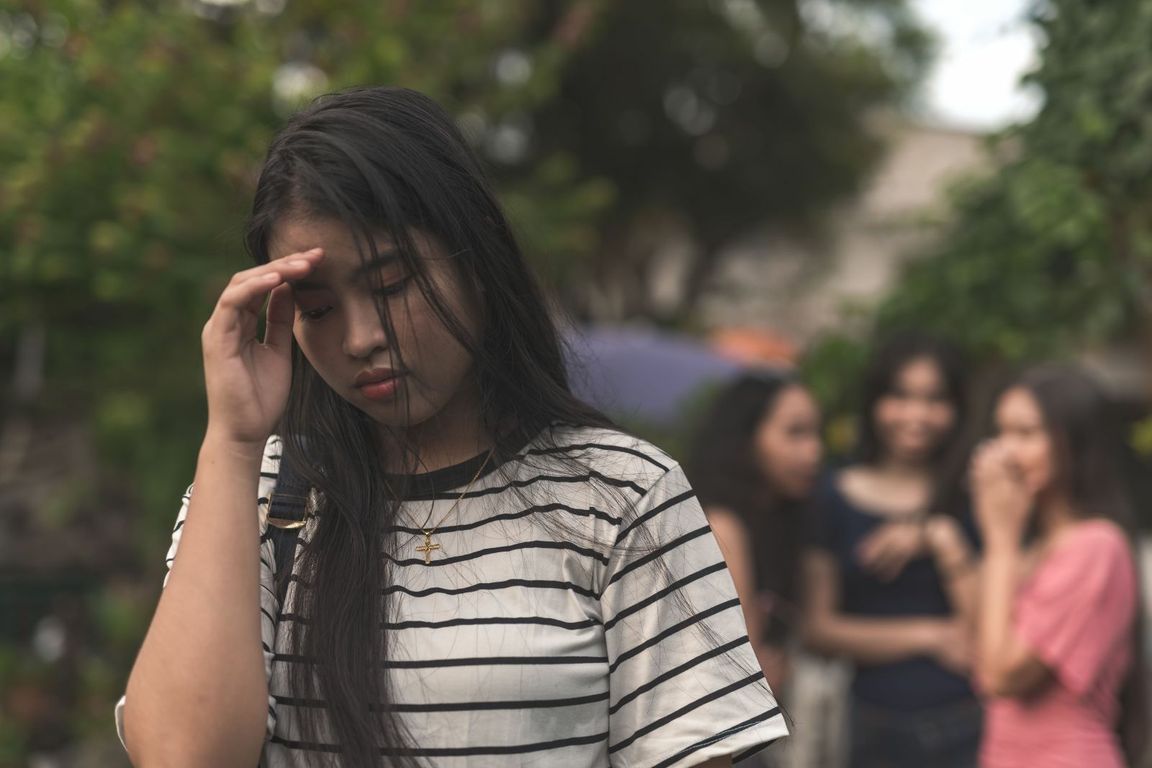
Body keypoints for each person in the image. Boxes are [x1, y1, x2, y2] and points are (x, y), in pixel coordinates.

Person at [115, 86, 786, 768]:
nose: (362, 338)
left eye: (392, 284)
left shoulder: (619, 496)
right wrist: (230, 443)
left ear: (476, 261)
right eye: (318, 308)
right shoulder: (261, 495)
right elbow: (181, 756)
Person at [931, 364, 1147, 768]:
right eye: (1000, 432)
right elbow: (980, 641)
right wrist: (955, 549)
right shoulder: (1036, 549)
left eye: (1025, 434)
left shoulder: (1096, 547)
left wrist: (999, 540)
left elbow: (999, 675)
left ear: (1076, 443)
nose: (1003, 452)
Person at [802, 334, 981, 768]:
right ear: (874, 402)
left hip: (970, 720)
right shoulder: (830, 495)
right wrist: (931, 636)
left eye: (935, 398)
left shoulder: (974, 492)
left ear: (957, 408)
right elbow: (817, 628)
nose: (916, 415)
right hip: (872, 723)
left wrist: (939, 537)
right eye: (900, 396)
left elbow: (986, 629)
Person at [687, 373, 823, 692]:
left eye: (817, 433)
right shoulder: (722, 525)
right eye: (795, 433)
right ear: (745, 438)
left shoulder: (781, 516)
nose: (814, 451)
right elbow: (744, 665)